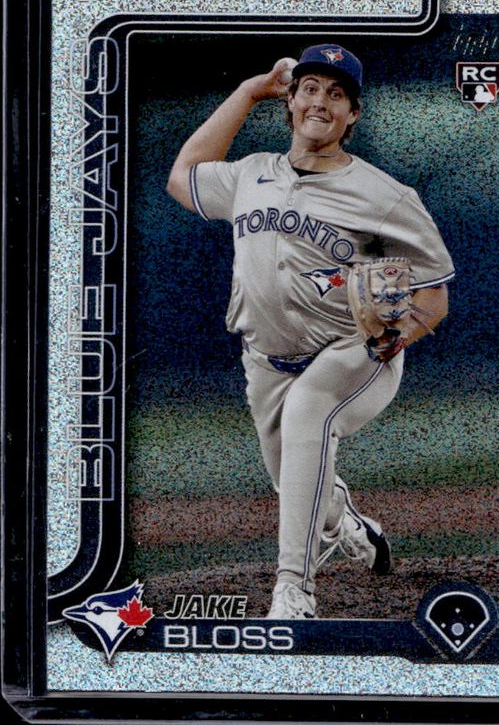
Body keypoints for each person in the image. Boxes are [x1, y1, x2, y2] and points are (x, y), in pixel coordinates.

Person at [167, 44, 455, 619]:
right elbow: (183, 176)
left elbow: (435, 295)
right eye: (310, 89)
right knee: (296, 477)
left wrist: (398, 337)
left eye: (337, 94)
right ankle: (345, 522)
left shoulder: (386, 196)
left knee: (308, 417)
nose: (321, 101)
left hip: (353, 352)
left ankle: (293, 590)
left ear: (353, 114)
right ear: (292, 101)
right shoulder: (251, 174)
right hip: (266, 361)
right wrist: (248, 92)